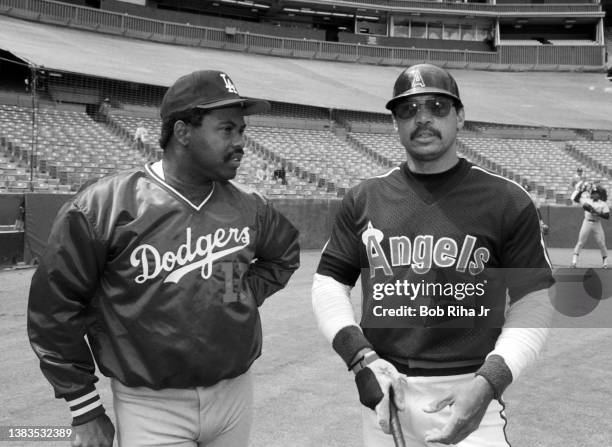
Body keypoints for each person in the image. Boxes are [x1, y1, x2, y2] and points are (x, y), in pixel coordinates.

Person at [28, 69, 301, 447]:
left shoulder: (250, 206)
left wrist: (237, 292)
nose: (241, 143)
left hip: (235, 393)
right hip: (150, 405)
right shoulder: (102, 207)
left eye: (242, 130)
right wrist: (84, 407)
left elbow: (283, 257)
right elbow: (54, 309)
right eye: (227, 130)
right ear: (183, 132)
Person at [312, 64, 554, 446]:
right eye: (408, 110)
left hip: (472, 385)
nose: (423, 119)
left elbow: (534, 300)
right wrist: (360, 359)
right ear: (394, 122)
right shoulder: (364, 198)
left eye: (437, 107)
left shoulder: (507, 200)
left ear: (460, 116)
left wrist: (491, 381)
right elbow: (329, 282)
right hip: (385, 389)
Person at [570, 183, 609, 268]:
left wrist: (598, 213)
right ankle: (574, 262)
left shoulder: (603, 203)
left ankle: (605, 263)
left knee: (601, 242)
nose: (595, 195)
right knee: (580, 242)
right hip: (587, 222)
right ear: (591, 194)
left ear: (599, 195)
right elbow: (575, 198)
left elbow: (607, 216)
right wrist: (582, 190)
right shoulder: (586, 200)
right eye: (593, 193)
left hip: (597, 223)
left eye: (597, 193)